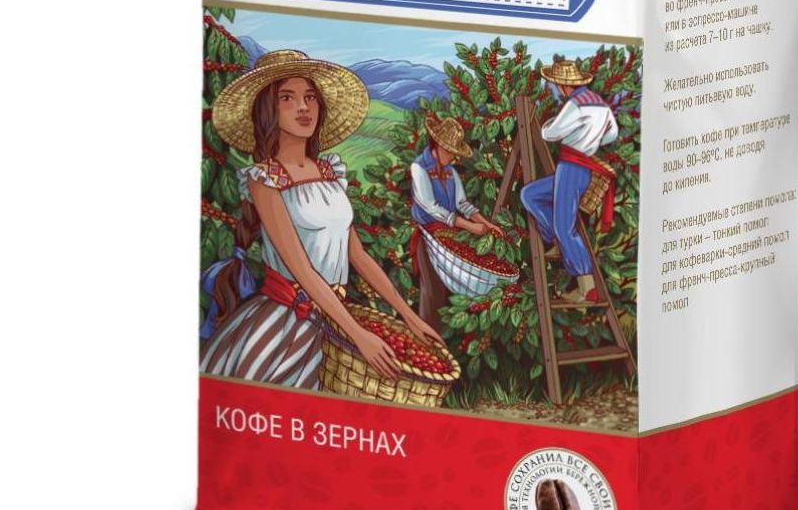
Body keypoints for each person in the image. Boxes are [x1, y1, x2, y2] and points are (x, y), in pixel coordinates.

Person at [200, 48, 446, 388]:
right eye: (288, 98)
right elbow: (302, 270)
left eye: (310, 97)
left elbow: (357, 254)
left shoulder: (330, 172)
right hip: (285, 323)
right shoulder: (265, 180)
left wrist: (408, 316)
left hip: (329, 319)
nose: (304, 107)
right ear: (268, 110)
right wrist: (357, 334)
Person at [520, 56, 619, 304]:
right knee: (530, 194)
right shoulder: (600, 104)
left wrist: (552, 125)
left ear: (565, 85)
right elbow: (612, 135)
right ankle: (556, 240)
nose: (557, 89)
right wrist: (590, 138)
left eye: (557, 85)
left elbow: (550, 133)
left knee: (565, 226)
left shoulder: (575, 104)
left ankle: (587, 288)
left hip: (571, 167)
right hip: (583, 168)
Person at [408, 114, 507, 332]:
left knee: (450, 292)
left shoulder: (451, 172)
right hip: (428, 237)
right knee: (432, 292)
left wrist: (486, 224)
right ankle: (427, 338)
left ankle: (442, 339)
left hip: (450, 237)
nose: (453, 157)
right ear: (439, 146)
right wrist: (470, 227)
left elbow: (462, 203)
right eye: (451, 152)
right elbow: (432, 208)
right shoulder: (419, 168)